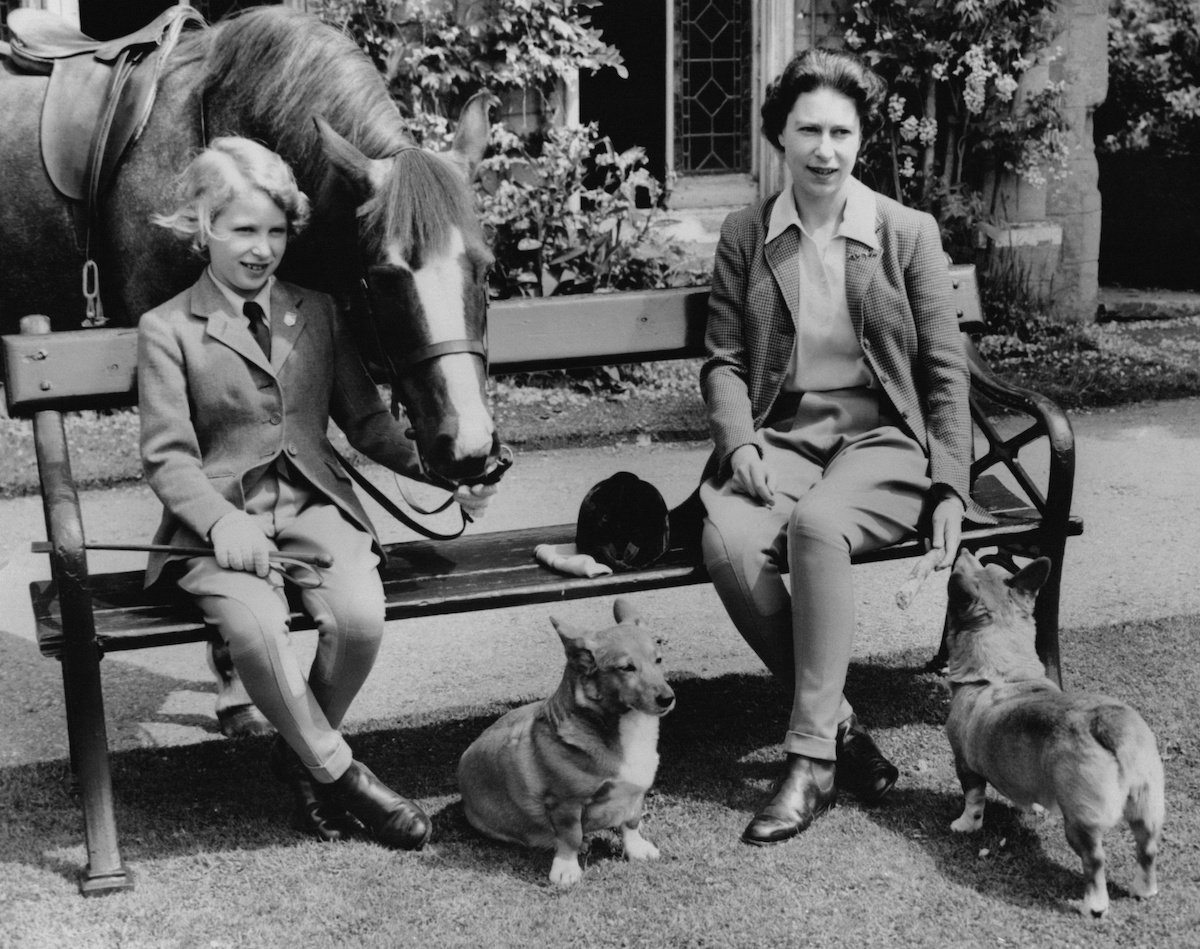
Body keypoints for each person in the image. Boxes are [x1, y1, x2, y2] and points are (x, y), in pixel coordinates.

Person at [138, 137, 496, 849]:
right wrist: (218, 523)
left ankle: (297, 749)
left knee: (360, 618)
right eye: (241, 229)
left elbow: (365, 422)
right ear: (202, 227)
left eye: (275, 231)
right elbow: (168, 458)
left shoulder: (320, 310)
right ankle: (341, 772)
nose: (261, 248)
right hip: (220, 528)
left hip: (314, 508)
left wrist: (446, 471)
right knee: (256, 629)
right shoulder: (167, 328)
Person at [699, 48, 976, 846]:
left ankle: (812, 758)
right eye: (809, 130)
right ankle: (842, 723)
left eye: (842, 132)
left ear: (861, 139)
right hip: (785, 431)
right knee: (728, 537)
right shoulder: (749, 233)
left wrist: (951, 484)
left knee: (817, 526)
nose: (826, 149)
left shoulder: (905, 232)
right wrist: (739, 437)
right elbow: (722, 357)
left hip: (883, 434)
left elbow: (943, 369)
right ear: (778, 138)